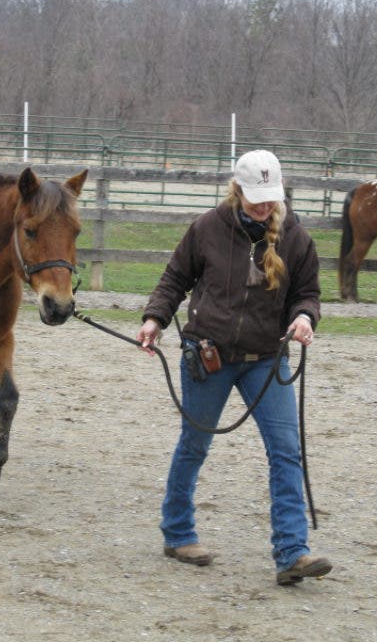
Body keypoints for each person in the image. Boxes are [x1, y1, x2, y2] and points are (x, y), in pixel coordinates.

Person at [137, 149, 333, 586]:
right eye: (256, 199)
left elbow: (308, 292)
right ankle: (178, 532)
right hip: (210, 354)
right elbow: (174, 279)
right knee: (195, 444)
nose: (264, 209)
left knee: (286, 450)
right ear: (237, 190)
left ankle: (292, 552)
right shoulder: (207, 228)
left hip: (266, 358)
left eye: (270, 200)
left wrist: (304, 317)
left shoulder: (295, 236)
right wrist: (155, 319)